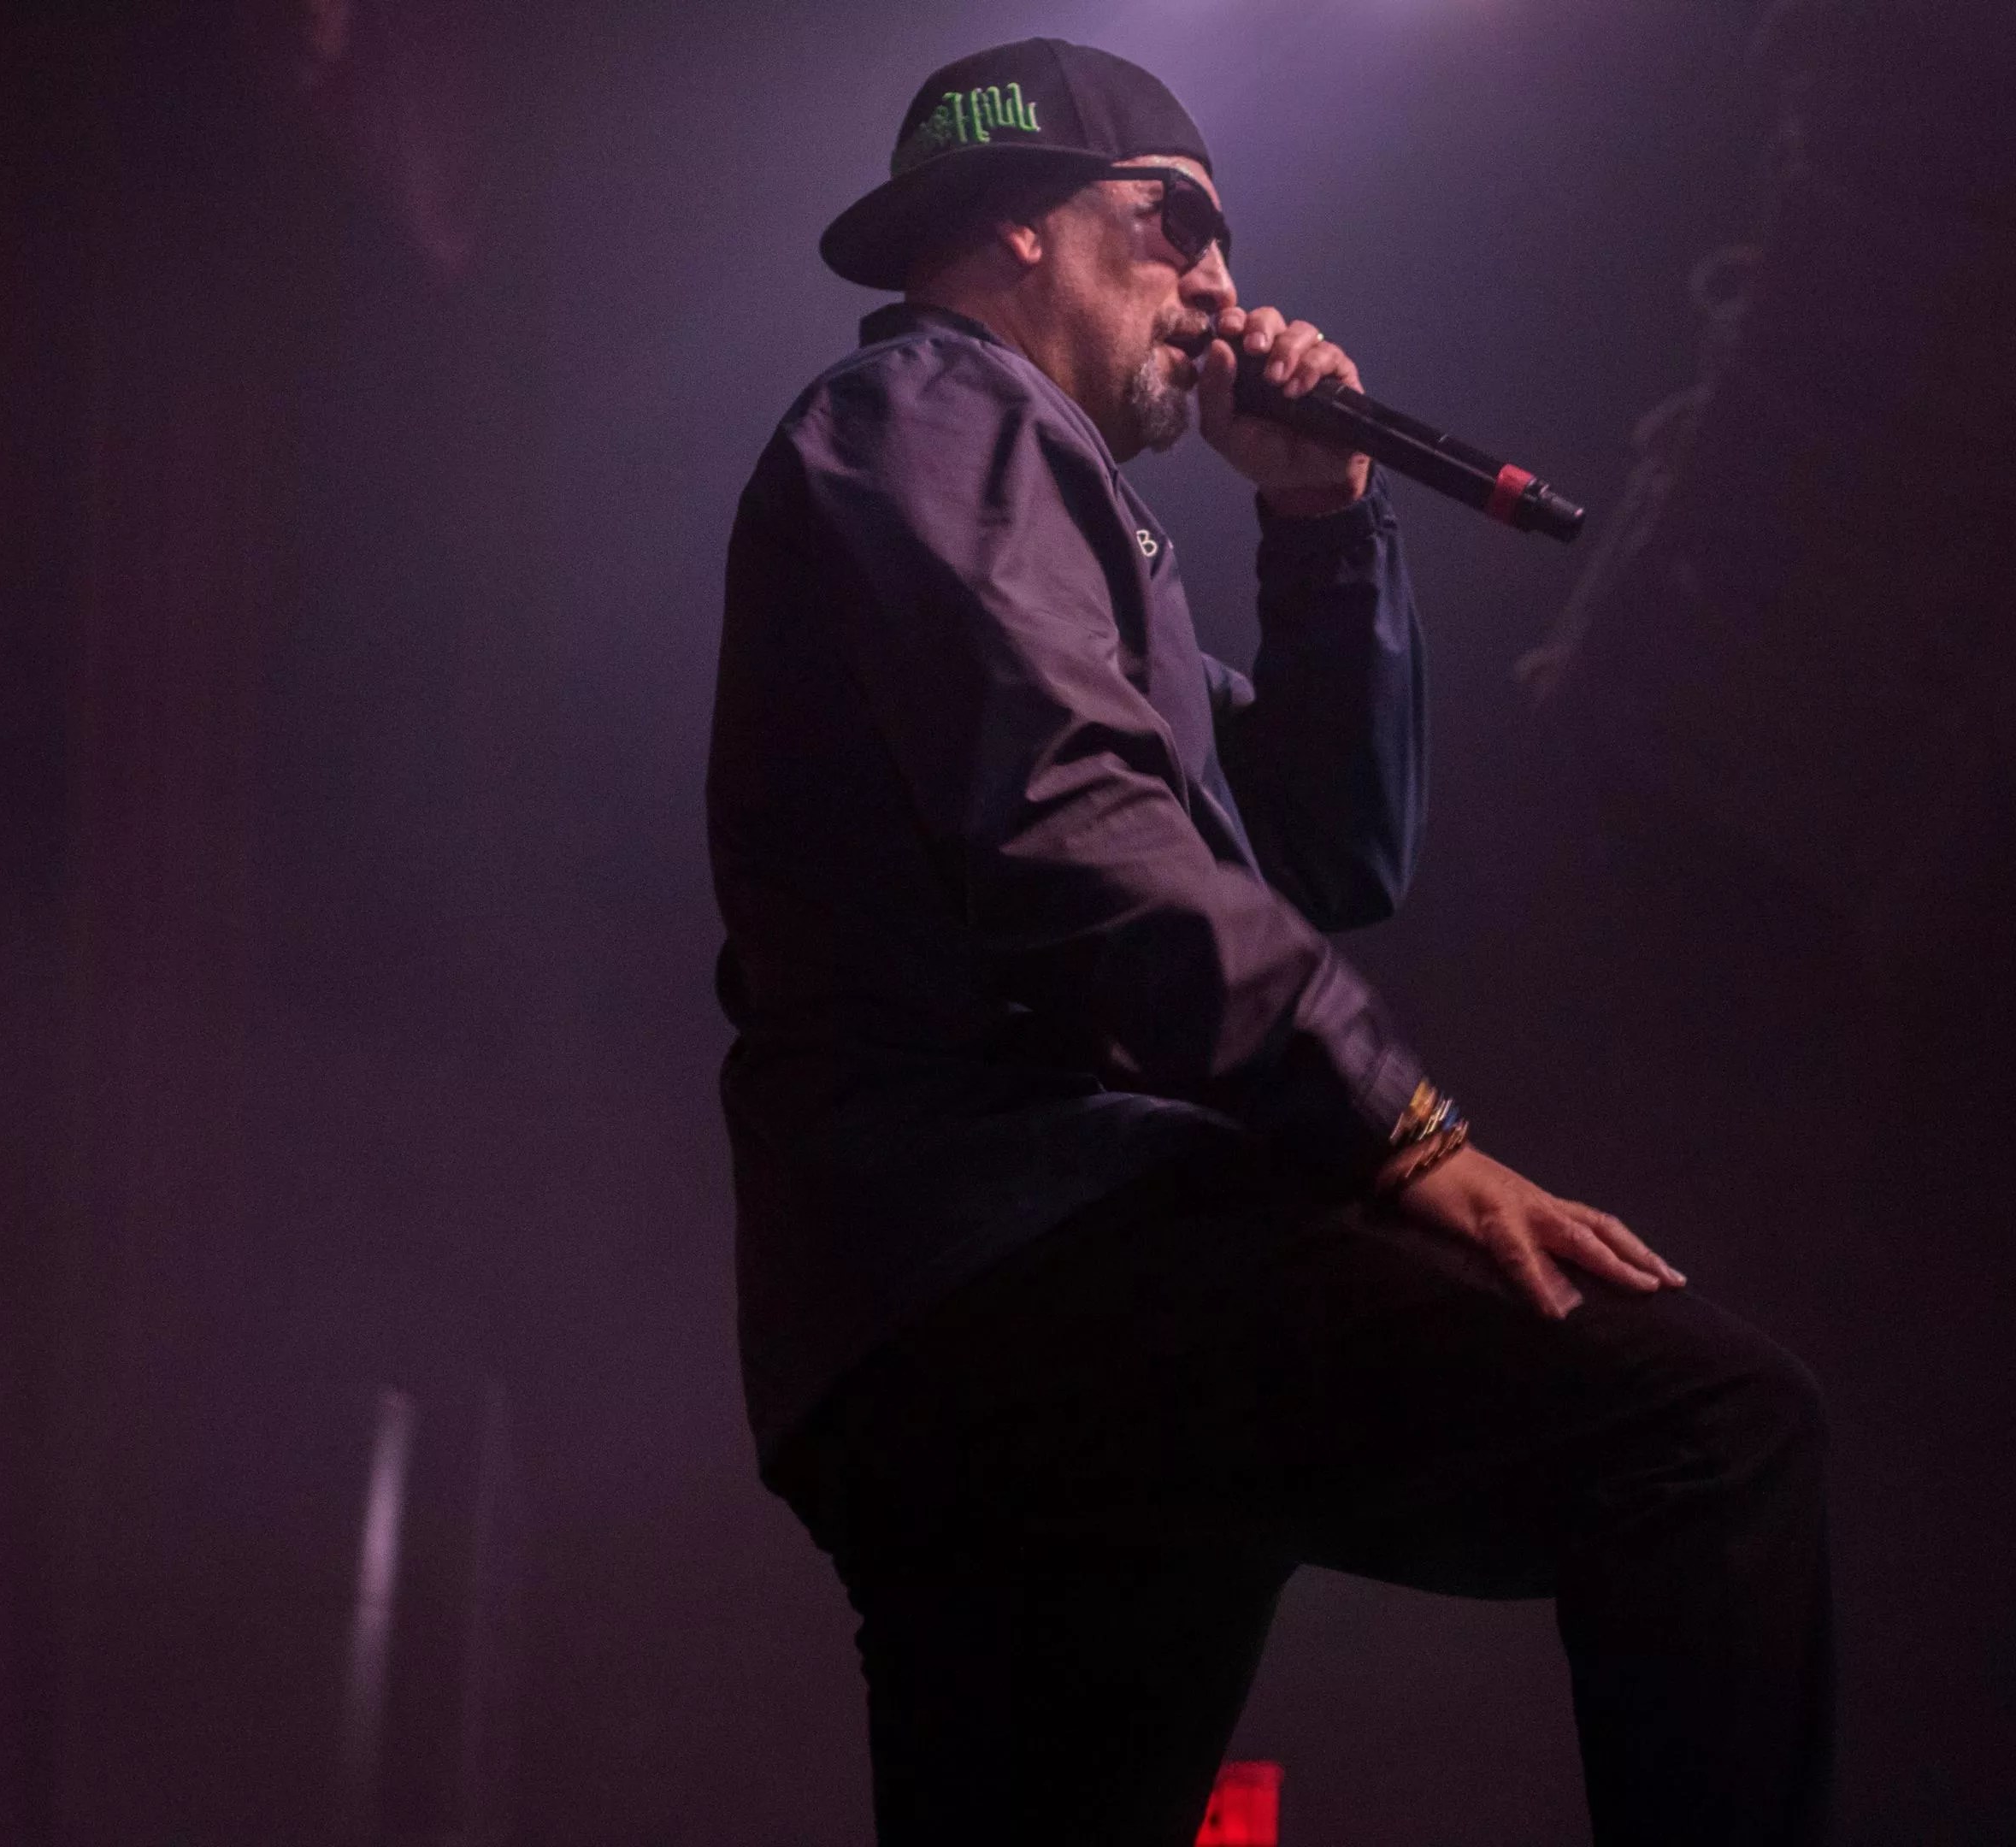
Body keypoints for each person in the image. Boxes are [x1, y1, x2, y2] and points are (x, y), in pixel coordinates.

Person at [706, 38, 1831, 1845]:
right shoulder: (929, 411)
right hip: (1032, 1248)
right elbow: (1073, 827)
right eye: (1175, 223)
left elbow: (1325, 846)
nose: (1224, 286)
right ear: (1010, 225)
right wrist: (1406, 1137)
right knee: (1699, 1425)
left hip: (934, 1322)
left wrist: (1317, 514)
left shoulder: (1048, 523)